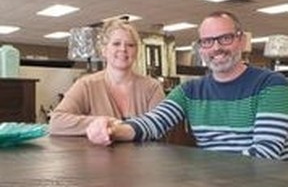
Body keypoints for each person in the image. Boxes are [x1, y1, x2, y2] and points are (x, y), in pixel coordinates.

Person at [89, 11, 288, 160]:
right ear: (201, 49)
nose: (216, 48)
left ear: (241, 41)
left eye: (225, 38)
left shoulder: (271, 84)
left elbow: (266, 152)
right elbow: (153, 122)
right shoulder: (190, 91)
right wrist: (111, 130)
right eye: (207, 41)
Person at [49, 19, 165, 137]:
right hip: (99, 155)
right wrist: (103, 123)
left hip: (145, 155)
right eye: (116, 43)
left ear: (136, 51)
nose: (123, 49)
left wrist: (117, 130)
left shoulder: (152, 87)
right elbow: (56, 122)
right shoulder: (86, 85)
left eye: (130, 45)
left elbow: (162, 127)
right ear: (104, 50)